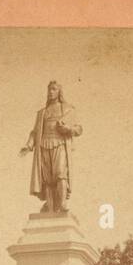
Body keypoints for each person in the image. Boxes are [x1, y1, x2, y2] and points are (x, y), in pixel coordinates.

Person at [20, 80, 82, 212]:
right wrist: (29, 145)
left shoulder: (68, 109)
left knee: (60, 174)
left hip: (59, 144)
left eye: (54, 89)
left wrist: (67, 128)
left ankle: (63, 202)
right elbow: (35, 132)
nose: (50, 92)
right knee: (47, 178)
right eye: (49, 89)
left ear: (59, 92)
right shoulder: (42, 112)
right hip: (43, 145)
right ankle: (50, 204)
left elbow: (78, 129)